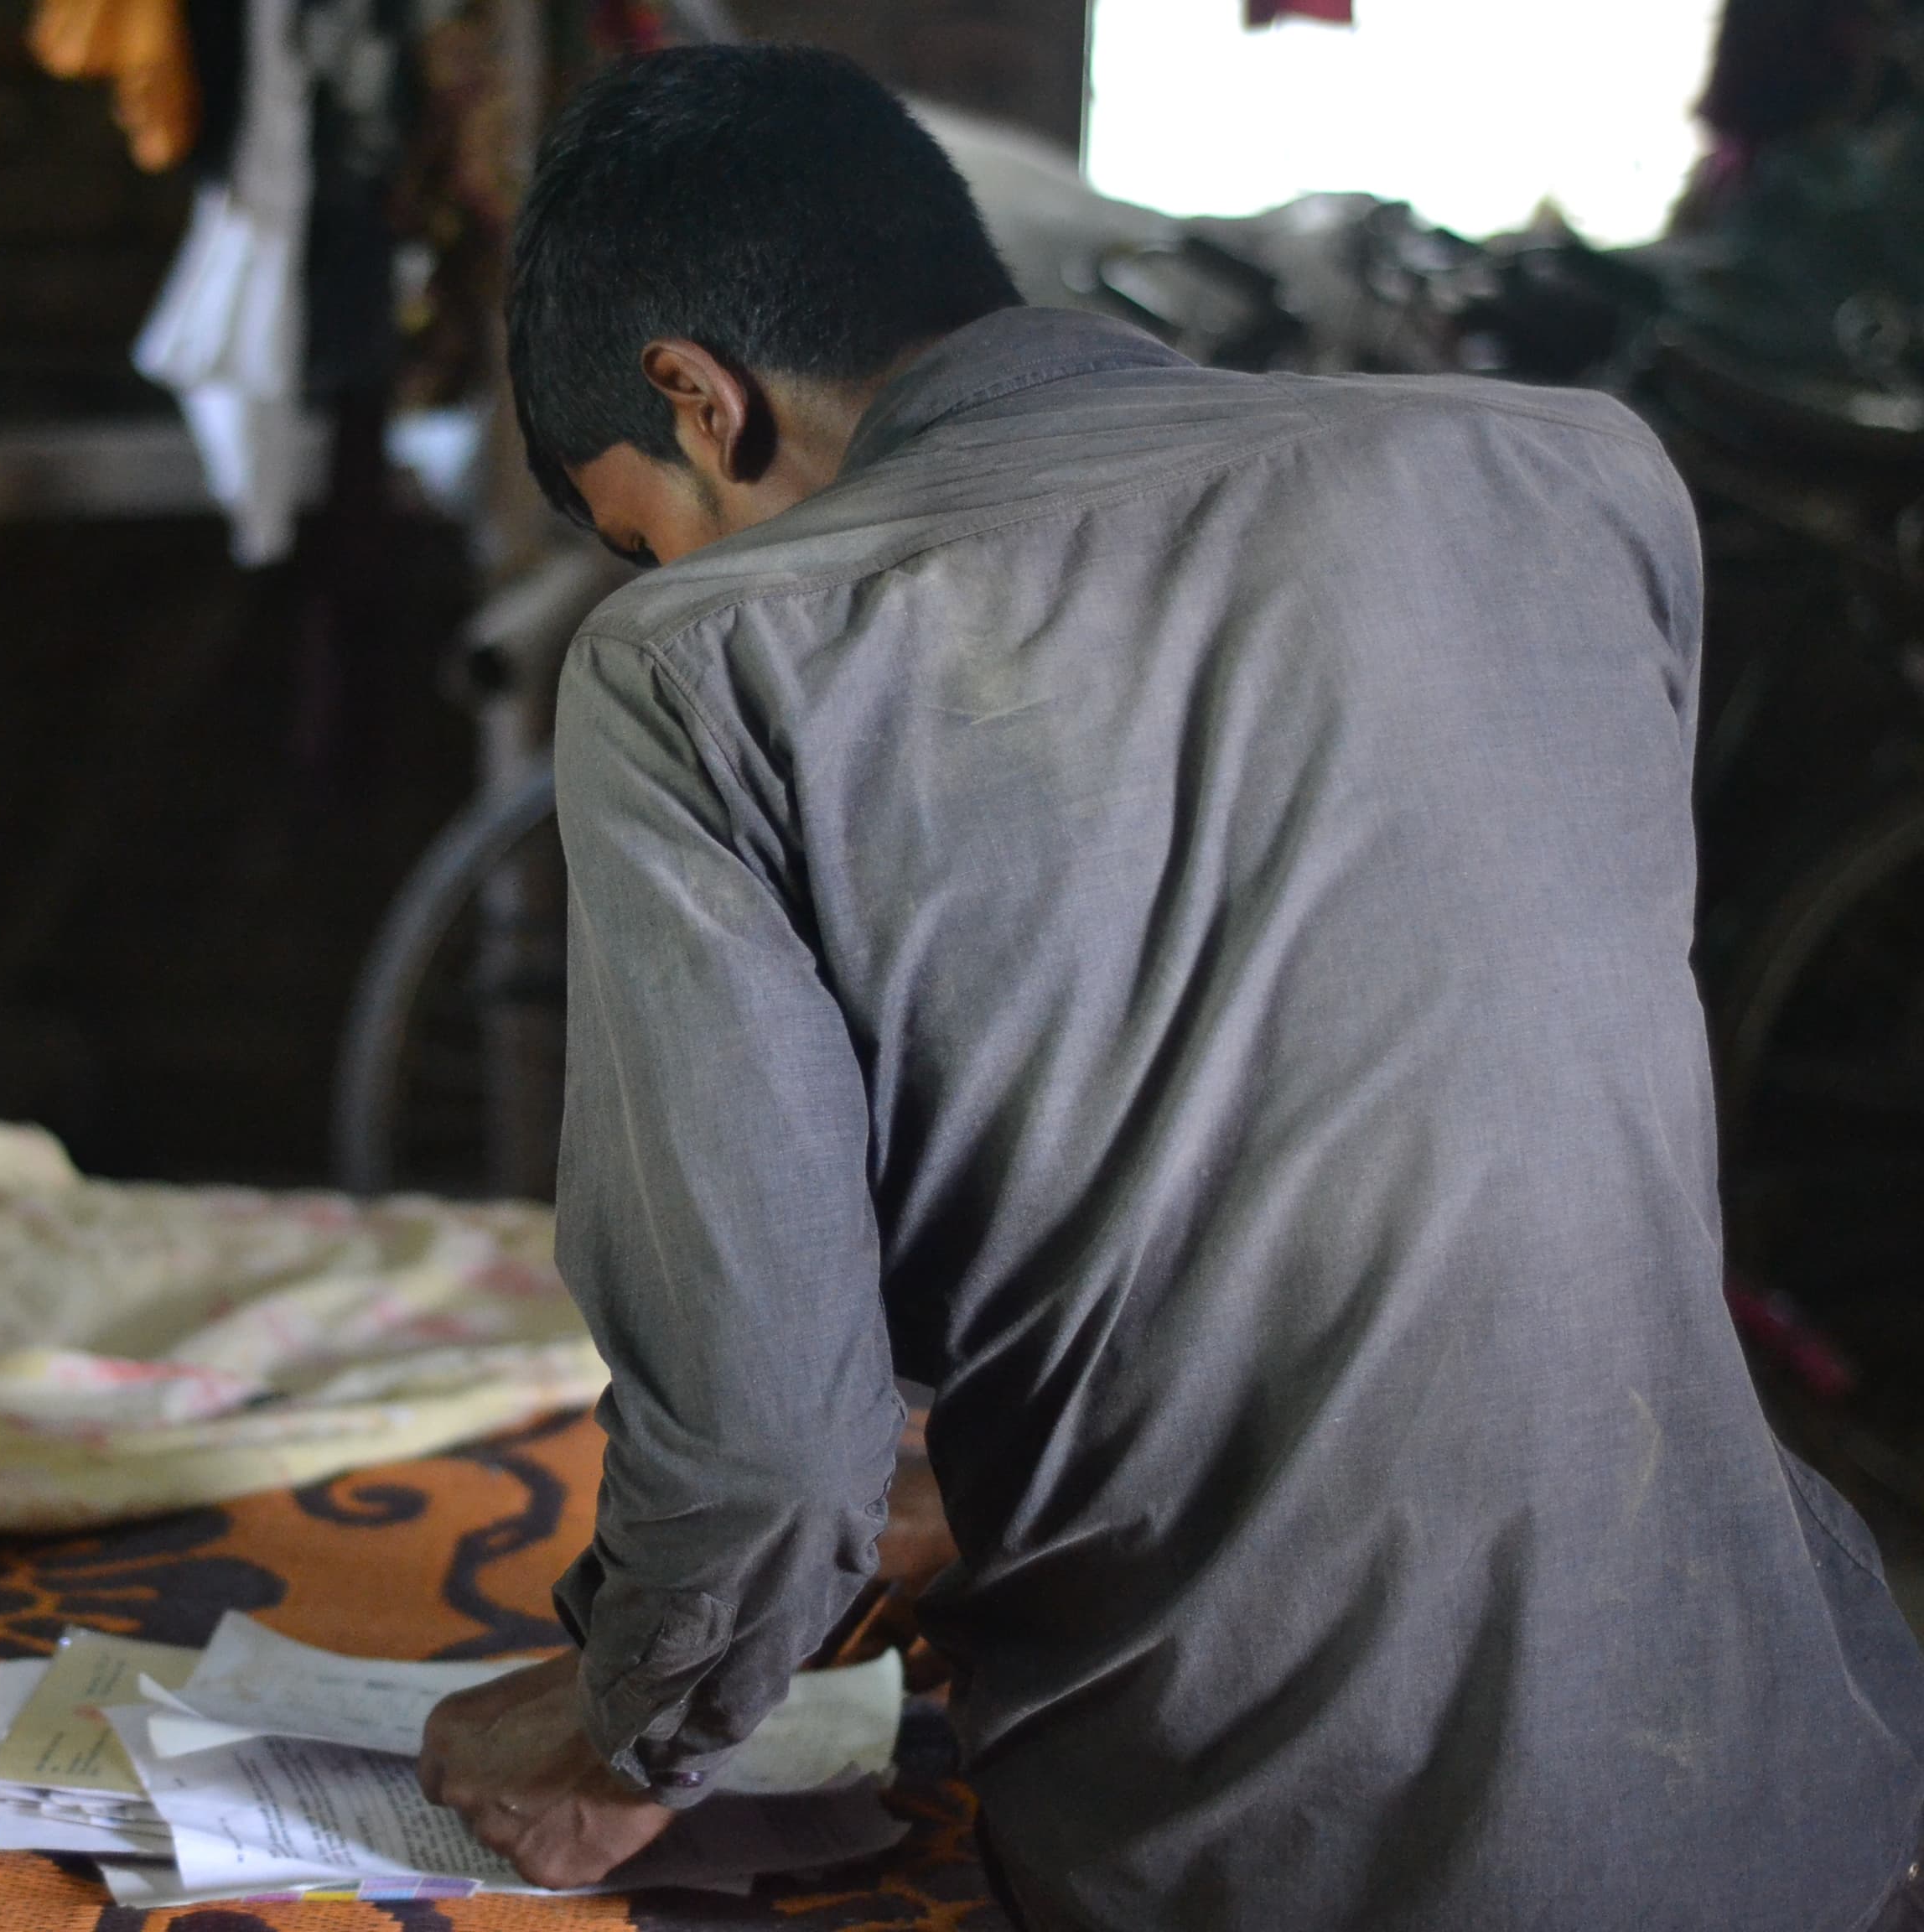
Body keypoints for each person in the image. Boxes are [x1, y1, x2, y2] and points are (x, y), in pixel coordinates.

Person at [412, 43, 1924, 1932]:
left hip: (1283, 1857)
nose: (673, 577)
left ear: (701, 404)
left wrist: (619, 1740)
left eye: (650, 528)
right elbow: (1441, 1091)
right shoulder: (1574, 478)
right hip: (1804, 1779)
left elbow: (772, 1460)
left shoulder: (708, 666)